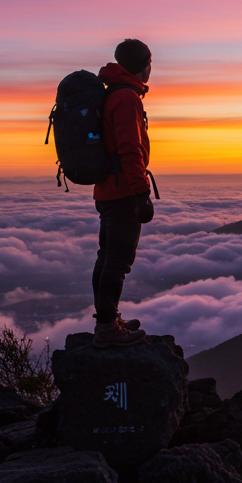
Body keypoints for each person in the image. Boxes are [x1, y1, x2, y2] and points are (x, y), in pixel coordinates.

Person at [91, 38, 155, 348]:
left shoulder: (112, 93)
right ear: (144, 65)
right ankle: (107, 329)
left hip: (106, 189)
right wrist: (141, 194)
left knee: (107, 258)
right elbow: (130, 150)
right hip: (123, 192)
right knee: (118, 261)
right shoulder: (127, 97)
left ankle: (109, 319)